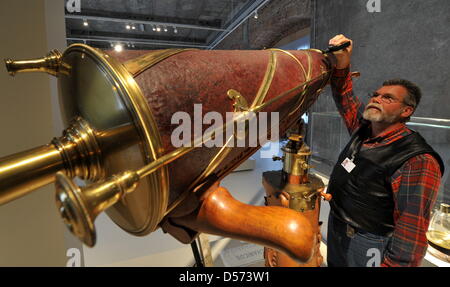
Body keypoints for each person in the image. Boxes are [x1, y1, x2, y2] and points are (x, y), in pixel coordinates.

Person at [326, 34, 445, 267]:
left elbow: (411, 228)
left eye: (388, 98)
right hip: (338, 226)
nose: (377, 99)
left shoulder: (417, 159)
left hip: (368, 242)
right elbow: (344, 96)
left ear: (406, 111)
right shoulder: (364, 129)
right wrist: (343, 62)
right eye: (376, 95)